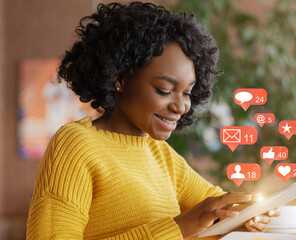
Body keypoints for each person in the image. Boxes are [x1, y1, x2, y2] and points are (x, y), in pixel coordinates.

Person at [26, 2, 278, 239]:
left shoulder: (161, 156)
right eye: (164, 90)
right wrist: (180, 227)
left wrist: (249, 214)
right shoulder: (75, 146)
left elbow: (217, 210)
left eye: (187, 92)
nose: (180, 106)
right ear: (120, 79)